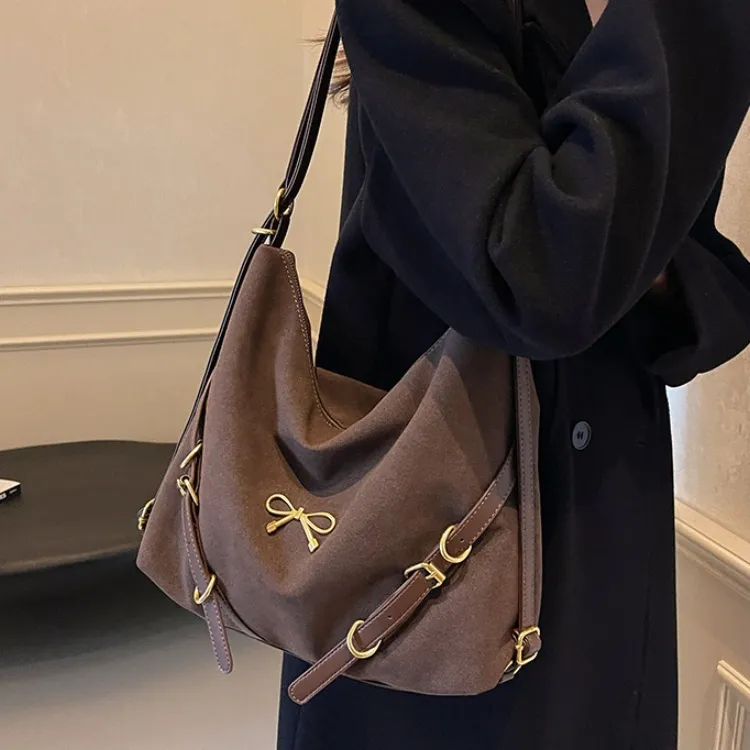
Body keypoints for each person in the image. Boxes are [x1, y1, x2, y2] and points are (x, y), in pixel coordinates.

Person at [276, 0, 750, 747]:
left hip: (605, 536)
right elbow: (542, 272)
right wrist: (611, 254)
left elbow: (677, 264)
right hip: (429, 541)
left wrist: (635, 266)